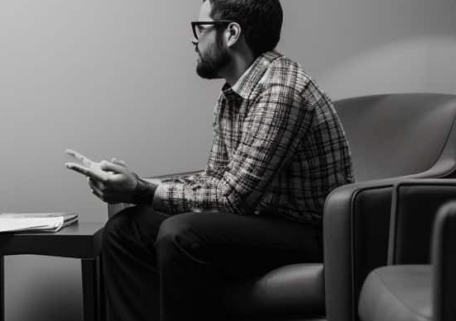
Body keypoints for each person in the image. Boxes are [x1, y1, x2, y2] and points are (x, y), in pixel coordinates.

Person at [65, 0, 354, 320]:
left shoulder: (280, 91)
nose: (194, 41)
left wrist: (140, 190)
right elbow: (215, 179)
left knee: (182, 233)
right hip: (263, 219)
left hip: (308, 233)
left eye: (200, 29)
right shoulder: (233, 94)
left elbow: (233, 198)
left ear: (231, 33)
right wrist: (135, 183)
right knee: (124, 230)